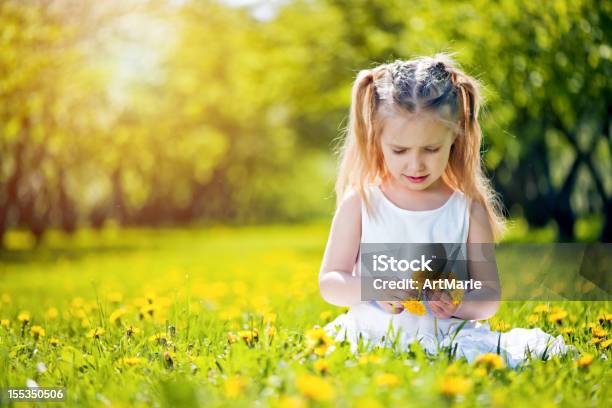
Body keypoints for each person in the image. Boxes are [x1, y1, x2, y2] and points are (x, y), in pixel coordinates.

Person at [318, 54, 569, 368]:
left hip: (449, 340)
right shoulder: (362, 202)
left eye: (431, 149)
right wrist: (374, 286)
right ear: (377, 140)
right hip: (374, 336)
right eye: (399, 150)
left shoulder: (467, 209)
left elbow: (488, 297)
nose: (415, 164)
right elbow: (331, 281)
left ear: (455, 136)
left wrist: (457, 302)